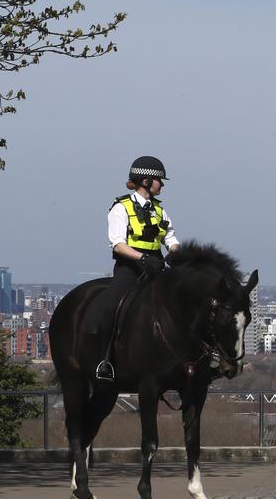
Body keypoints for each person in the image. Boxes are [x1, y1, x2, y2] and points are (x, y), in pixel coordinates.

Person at [92, 155, 180, 381]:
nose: (163, 185)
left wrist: (175, 250)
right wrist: (142, 258)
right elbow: (118, 244)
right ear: (146, 181)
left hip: (157, 266)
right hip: (130, 267)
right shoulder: (120, 208)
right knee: (111, 305)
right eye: (160, 180)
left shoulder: (160, 210)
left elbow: (170, 237)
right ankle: (104, 361)